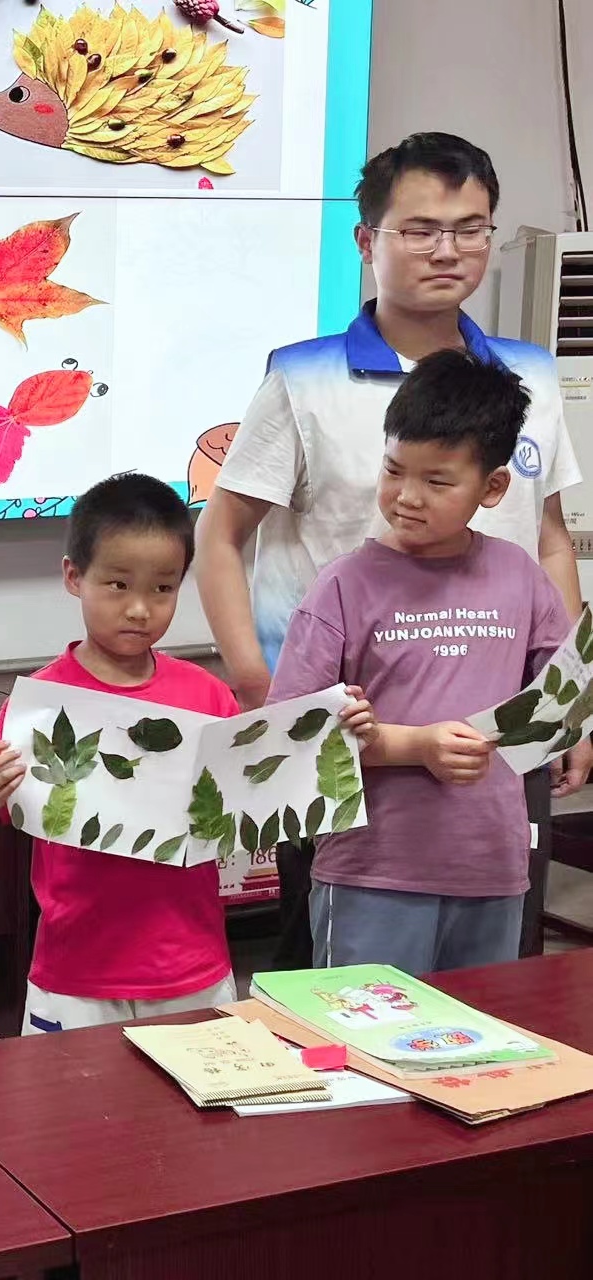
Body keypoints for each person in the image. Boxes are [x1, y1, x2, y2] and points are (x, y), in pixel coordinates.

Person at [195, 132, 589, 966]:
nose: (446, 250)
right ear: (366, 239)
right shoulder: (301, 377)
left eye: (469, 228)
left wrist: (569, 714)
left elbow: (549, 538)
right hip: (350, 739)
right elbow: (220, 534)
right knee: (341, 972)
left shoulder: (526, 378)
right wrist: (262, 688)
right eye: (419, 229)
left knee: (490, 975)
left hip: (493, 741)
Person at [0, 476, 307, 1032]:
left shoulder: (207, 696)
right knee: (70, 1091)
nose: (140, 609)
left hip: (191, 966)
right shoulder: (40, 705)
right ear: (74, 577)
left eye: (163, 588)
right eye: (118, 585)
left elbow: (251, 807)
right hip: (74, 973)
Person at [268, 352, 566, 974]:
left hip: (491, 869)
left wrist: (574, 734)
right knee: (361, 1029)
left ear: (492, 488)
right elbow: (286, 736)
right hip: (371, 870)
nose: (407, 497)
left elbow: (561, 694)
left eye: (437, 481)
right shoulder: (344, 585)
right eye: (393, 469)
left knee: (473, 1029)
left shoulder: (520, 575)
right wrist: (412, 745)